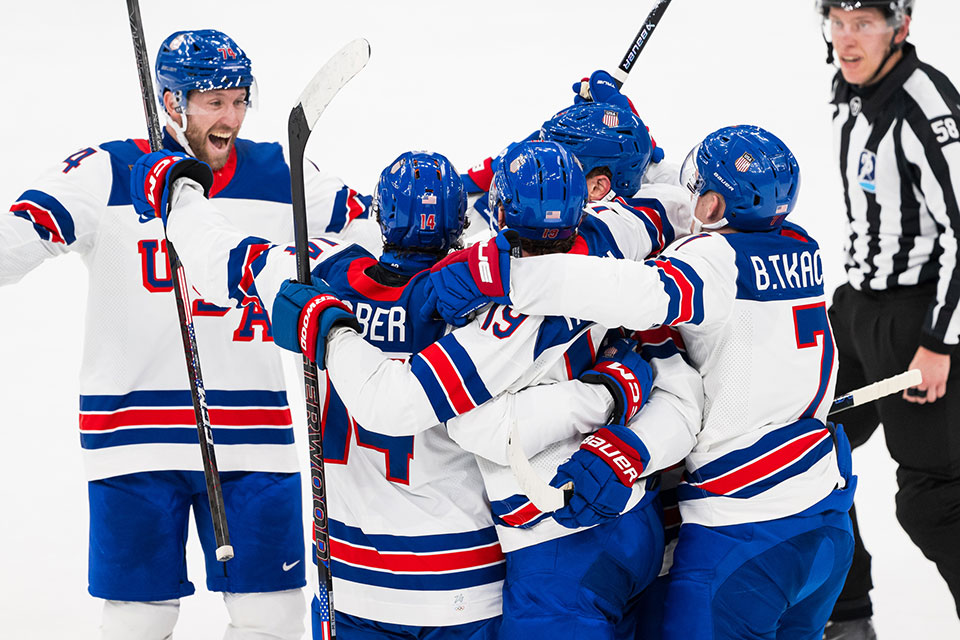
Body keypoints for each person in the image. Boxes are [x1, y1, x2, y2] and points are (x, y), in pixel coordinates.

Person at [0, 29, 371, 639]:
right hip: (133, 435)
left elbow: (368, 233)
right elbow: (20, 238)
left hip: (255, 437)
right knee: (138, 620)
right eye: (214, 102)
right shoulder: (109, 169)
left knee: (273, 616)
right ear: (172, 102)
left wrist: (309, 260)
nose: (231, 117)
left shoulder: (281, 171)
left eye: (240, 99)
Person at [425, 125, 859, 639]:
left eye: (700, 189)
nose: (688, 194)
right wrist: (626, 140)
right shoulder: (801, 245)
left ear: (715, 208)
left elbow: (636, 291)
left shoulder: (714, 260)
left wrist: (504, 275)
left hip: (746, 531)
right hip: (826, 521)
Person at [817, 0, 960, 635]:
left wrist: (938, 342)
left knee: (936, 500)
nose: (847, 40)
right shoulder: (848, 86)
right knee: (803, 445)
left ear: (900, 28)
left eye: (864, 25)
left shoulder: (924, 108)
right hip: (857, 309)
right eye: (838, 22)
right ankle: (846, 617)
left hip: (918, 322)